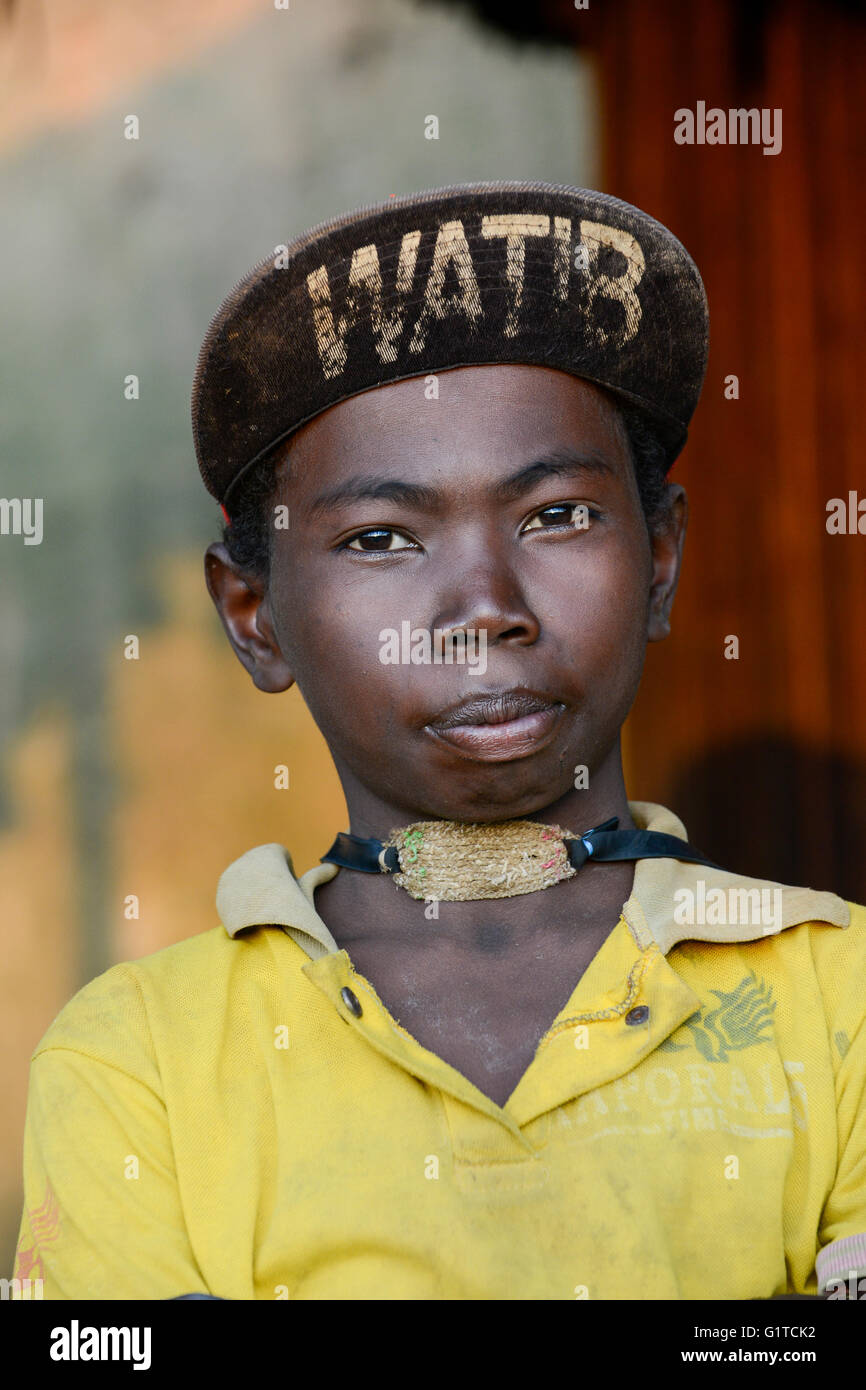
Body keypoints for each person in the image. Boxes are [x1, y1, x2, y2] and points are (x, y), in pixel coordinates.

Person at [13, 182, 866, 1300]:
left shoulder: (836, 1000)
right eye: (380, 538)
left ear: (658, 558)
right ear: (254, 617)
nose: (484, 605)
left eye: (555, 513)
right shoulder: (143, 1063)